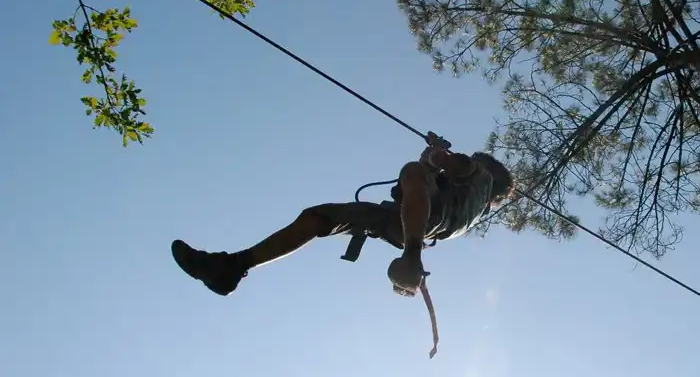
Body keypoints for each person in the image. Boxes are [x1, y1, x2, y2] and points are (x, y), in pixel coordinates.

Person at [170, 136, 515, 297]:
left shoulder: (479, 173)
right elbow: (430, 184)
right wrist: (432, 161)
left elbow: (446, 166)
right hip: (411, 222)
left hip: (417, 226)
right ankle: (231, 267)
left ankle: (411, 255)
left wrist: (436, 156)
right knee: (320, 217)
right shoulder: (474, 211)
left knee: (410, 171)